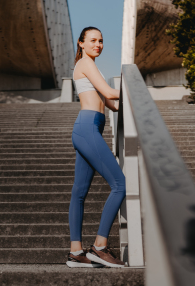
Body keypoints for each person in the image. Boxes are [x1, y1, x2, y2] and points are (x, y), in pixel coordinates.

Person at [66, 26, 126, 268]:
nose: (98, 45)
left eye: (101, 41)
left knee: (79, 193)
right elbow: (111, 91)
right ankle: (99, 247)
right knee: (120, 184)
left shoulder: (92, 66)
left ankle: (75, 252)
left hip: (89, 129)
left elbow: (111, 104)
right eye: (93, 40)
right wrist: (134, 90)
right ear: (81, 43)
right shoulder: (85, 63)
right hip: (88, 128)